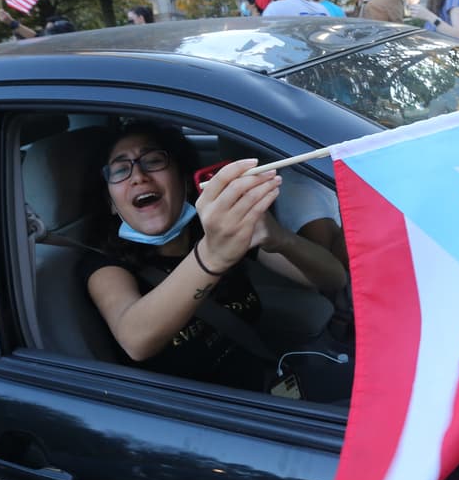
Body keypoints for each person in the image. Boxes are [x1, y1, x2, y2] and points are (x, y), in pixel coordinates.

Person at [79, 121, 346, 390]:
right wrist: (213, 254)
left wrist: (279, 237)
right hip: (202, 417)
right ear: (112, 204)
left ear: (184, 179)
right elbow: (136, 341)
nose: (138, 177)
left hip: (265, 386)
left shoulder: (215, 232)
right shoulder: (104, 263)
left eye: (153, 161)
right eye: (121, 169)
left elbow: (333, 278)